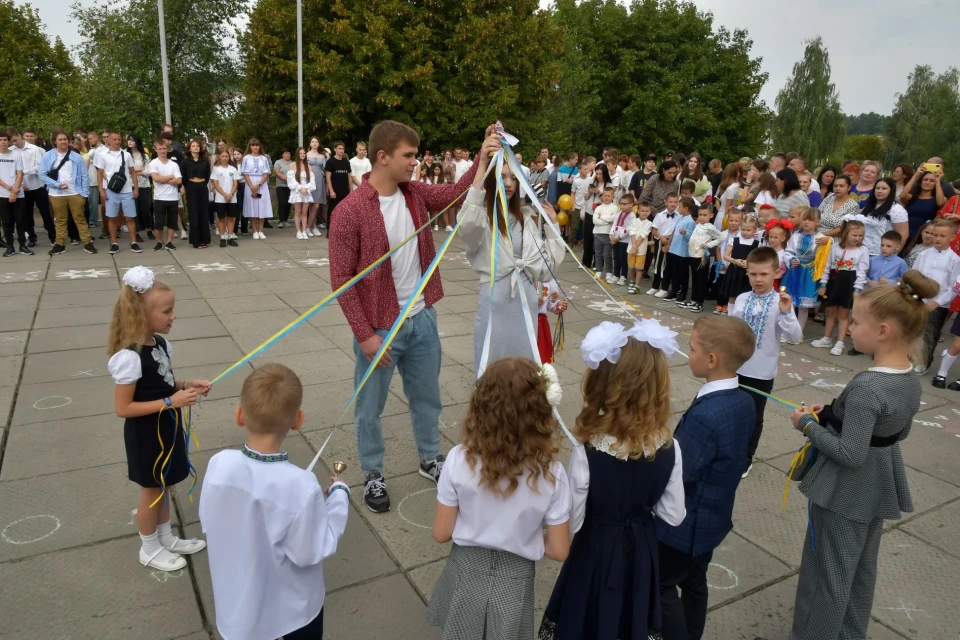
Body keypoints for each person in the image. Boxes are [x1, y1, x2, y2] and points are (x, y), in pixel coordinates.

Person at [329, 120, 486, 513]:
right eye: (409, 156)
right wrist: (365, 335)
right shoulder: (350, 211)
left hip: (421, 320)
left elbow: (454, 192)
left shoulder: (414, 194)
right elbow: (341, 280)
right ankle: (372, 472)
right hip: (380, 327)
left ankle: (430, 458)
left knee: (427, 397)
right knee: (370, 406)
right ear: (382, 157)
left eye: (416, 156)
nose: (415, 163)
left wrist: (483, 155)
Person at [778, 272, 933, 640]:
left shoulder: (868, 384)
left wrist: (808, 426)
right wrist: (835, 414)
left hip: (844, 491)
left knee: (825, 577)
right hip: (877, 486)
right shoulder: (910, 378)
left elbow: (850, 453)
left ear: (883, 331)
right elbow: (899, 431)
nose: (849, 328)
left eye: (857, 322)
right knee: (860, 571)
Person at [540, 320, 685, 640]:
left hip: (596, 550)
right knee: (630, 621)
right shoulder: (669, 446)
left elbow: (574, 520)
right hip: (640, 553)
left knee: (587, 617)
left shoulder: (589, 450)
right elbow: (673, 515)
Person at [200, 363, 349, 640]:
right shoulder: (301, 486)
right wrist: (339, 497)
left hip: (238, 607)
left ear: (240, 415)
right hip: (293, 612)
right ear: (298, 420)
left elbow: (210, 522)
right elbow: (311, 550)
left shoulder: (219, 464)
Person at [427, 358, 570, 639]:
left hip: (466, 570)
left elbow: (441, 533)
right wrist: (521, 535)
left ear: (481, 407)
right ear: (540, 412)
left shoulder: (458, 459)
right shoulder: (552, 474)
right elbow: (559, 550)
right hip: (515, 579)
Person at [658, 315, 756, 640]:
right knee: (695, 582)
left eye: (691, 348)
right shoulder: (743, 401)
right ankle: (693, 631)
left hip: (684, 527)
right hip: (711, 520)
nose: (688, 354)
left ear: (711, 359)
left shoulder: (707, 415)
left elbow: (679, 472)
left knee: (660, 584)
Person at [107, 266, 209, 571]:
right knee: (151, 490)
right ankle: (149, 547)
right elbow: (123, 408)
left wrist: (186, 385)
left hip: (166, 427)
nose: (173, 316)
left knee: (164, 485)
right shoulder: (129, 357)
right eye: (167, 311)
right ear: (142, 314)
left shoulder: (161, 345)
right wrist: (171, 401)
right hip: (146, 434)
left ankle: (165, 537)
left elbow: (163, 384)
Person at [460, 150, 564, 374]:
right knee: (492, 355)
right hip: (494, 296)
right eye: (502, 176)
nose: (508, 183)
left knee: (523, 358)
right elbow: (467, 226)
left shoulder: (526, 219)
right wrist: (481, 168)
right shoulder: (482, 217)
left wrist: (552, 227)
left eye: (514, 178)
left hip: (526, 299)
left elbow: (547, 270)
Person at [729, 247, 802, 479]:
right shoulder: (741, 299)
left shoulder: (780, 302)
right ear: (747, 273)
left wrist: (787, 312)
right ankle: (728, 452)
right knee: (731, 413)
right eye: (753, 274)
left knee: (753, 417)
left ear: (776, 273)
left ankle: (745, 458)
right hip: (735, 368)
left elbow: (794, 337)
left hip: (761, 373)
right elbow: (731, 330)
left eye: (764, 274)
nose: (758, 279)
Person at [811, 220, 869, 356]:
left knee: (843, 314)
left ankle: (840, 342)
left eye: (861, 235)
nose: (858, 238)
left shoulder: (862, 250)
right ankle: (827, 338)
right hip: (834, 280)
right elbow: (827, 266)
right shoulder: (835, 247)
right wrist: (824, 284)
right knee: (831, 311)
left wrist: (857, 289)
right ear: (845, 233)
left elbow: (862, 271)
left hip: (848, 282)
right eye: (854, 235)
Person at [38, 128, 96, 255]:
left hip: (75, 192)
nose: (63, 141)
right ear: (55, 141)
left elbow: (84, 175)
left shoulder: (76, 156)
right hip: (56, 193)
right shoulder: (48, 156)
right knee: (60, 220)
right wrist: (57, 185)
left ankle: (87, 242)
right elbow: (42, 175)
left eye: (65, 139)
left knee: (80, 219)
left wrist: (84, 193)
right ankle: (60, 244)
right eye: (60, 139)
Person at [913, 219, 960, 373]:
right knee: (914, 330)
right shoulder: (924, 254)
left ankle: (923, 362)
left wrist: (938, 302)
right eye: (935, 235)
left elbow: (954, 287)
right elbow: (915, 275)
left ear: (952, 237)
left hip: (938, 304)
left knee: (929, 334)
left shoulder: (955, 260)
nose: (937, 238)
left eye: (942, 236)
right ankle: (910, 357)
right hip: (919, 300)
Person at [95, 131, 141, 254]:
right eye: (114, 139)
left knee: (130, 217)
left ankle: (134, 242)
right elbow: (99, 173)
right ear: (109, 141)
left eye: (119, 139)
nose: (117, 142)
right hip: (111, 190)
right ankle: (114, 243)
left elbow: (132, 172)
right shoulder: (102, 155)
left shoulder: (126, 155)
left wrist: (135, 188)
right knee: (111, 217)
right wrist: (101, 190)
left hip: (126, 190)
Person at [9, 127, 54, 247]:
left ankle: (53, 237)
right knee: (26, 215)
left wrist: (22, 172)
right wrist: (19, 182)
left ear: (19, 136)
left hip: (37, 186)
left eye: (14, 140)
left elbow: (39, 168)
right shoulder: (11, 150)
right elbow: (10, 170)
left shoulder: (36, 150)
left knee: (45, 213)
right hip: (22, 188)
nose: (13, 143)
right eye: (11, 141)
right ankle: (32, 238)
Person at [686, 202, 724, 313]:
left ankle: (699, 302)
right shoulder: (698, 225)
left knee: (701, 279)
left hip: (702, 257)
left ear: (711, 215)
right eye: (700, 215)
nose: (701, 217)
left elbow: (721, 237)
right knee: (694, 278)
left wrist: (709, 244)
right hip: (694, 255)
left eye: (704, 215)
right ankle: (693, 299)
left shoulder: (710, 227)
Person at [719, 213, 760, 309]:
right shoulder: (735, 240)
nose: (745, 232)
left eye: (748, 230)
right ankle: (731, 316)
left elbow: (758, 259)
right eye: (743, 229)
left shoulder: (756, 243)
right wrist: (735, 261)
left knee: (745, 296)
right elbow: (725, 256)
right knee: (732, 296)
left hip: (747, 273)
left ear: (754, 230)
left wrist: (749, 263)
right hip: (734, 271)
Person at [149, 138, 183, 251]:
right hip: (159, 197)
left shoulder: (173, 164)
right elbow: (156, 178)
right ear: (156, 150)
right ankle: (159, 241)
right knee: (159, 222)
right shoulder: (153, 163)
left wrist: (163, 179)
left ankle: (169, 242)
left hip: (172, 196)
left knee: (172, 221)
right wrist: (170, 176)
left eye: (164, 148)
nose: (163, 151)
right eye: (160, 149)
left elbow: (179, 180)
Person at [0, 129, 30, 257]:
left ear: (9, 141)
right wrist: (9, 188)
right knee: (7, 221)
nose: (3, 142)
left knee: (20, 220)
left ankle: (23, 245)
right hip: (2, 193)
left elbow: (20, 173)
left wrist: (15, 190)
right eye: (0, 140)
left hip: (18, 193)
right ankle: (10, 247)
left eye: (5, 140)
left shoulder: (16, 154)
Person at [901, 164, 948, 241]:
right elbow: (902, 196)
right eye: (925, 179)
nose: (927, 182)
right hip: (906, 234)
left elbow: (940, 203)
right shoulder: (911, 197)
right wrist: (915, 175)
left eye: (931, 181)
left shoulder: (937, 199)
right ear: (921, 181)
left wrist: (937, 181)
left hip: (924, 237)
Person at [647, 192, 680, 297]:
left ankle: (664, 288)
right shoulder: (660, 215)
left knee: (667, 265)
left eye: (675, 202)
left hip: (671, 241)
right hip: (660, 240)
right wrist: (661, 237)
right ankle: (655, 286)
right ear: (666, 202)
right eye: (671, 202)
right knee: (658, 263)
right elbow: (654, 230)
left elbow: (676, 231)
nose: (673, 204)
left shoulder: (679, 216)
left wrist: (669, 241)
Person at [666, 196, 697, 304]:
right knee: (674, 271)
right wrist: (669, 243)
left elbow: (692, 236)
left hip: (683, 252)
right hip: (674, 249)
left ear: (686, 208)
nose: (678, 208)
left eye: (680, 206)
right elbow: (674, 231)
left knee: (683, 273)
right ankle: (674, 290)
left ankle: (683, 292)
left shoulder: (691, 221)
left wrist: (685, 233)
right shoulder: (680, 218)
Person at [181, 138, 211, 249]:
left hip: (202, 187)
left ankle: (204, 240)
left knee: (203, 213)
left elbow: (207, 176)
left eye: (197, 146)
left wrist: (202, 184)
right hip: (191, 187)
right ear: (189, 148)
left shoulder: (204, 161)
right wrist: (184, 187)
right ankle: (195, 241)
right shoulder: (185, 162)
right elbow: (183, 176)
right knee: (193, 213)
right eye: (193, 146)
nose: (195, 147)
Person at [241, 138, 273, 240]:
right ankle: (254, 230)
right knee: (252, 206)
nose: (255, 147)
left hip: (261, 184)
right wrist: (252, 186)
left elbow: (266, 173)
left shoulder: (263, 158)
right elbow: (245, 173)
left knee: (262, 206)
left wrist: (258, 185)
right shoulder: (246, 158)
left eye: (257, 145)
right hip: (250, 183)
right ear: (250, 146)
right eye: (253, 145)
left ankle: (261, 230)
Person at [714, 210, 742, 314]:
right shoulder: (722, 233)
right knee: (720, 284)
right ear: (727, 220)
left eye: (736, 220)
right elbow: (718, 248)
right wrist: (719, 261)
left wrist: (731, 263)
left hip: (732, 264)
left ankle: (727, 304)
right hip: (722, 263)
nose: (733, 223)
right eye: (731, 220)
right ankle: (719, 304)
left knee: (729, 285)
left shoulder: (740, 235)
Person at [210, 148, 239, 248]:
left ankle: (230, 236)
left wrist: (231, 194)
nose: (225, 158)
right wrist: (224, 194)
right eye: (222, 156)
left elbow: (235, 184)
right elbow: (216, 184)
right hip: (220, 198)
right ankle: (223, 237)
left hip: (232, 198)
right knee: (221, 217)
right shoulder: (216, 169)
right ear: (219, 157)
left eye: (226, 156)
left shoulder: (233, 169)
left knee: (231, 218)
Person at [125, 135, 152, 242]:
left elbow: (147, 172)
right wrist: (138, 170)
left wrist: (134, 171)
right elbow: (126, 171)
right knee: (134, 209)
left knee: (146, 209)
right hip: (130, 185)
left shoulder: (144, 156)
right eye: (128, 140)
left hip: (144, 185)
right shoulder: (126, 155)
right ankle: (136, 233)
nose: (129, 142)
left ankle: (149, 229)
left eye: (132, 140)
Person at [818, 174, 860, 241]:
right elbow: (817, 214)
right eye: (835, 186)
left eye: (841, 186)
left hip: (836, 240)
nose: (837, 188)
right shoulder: (829, 198)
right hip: (817, 235)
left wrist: (822, 235)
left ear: (849, 188)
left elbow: (845, 228)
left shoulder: (853, 205)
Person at [536, 280, 567, 364]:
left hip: (540, 325)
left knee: (541, 359)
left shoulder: (546, 279)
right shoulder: (519, 275)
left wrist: (558, 305)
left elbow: (550, 303)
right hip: (523, 324)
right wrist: (529, 301)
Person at [288, 147, 316, 240]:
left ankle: (304, 231)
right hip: (297, 191)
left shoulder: (309, 166)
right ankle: (298, 231)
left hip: (306, 192)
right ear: (297, 154)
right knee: (297, 212)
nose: (302, 155)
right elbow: (291, 180)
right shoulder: (292, 165)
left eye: (304, 153)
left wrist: (306, 188)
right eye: (300, 153)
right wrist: (300, 188)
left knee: (304, 213)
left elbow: (312, 181)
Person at [592, 186, 619, 282]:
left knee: (607, 254)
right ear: (602, 196)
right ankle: (599, 270)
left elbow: (613, 219)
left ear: (613, 197)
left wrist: (602, 218)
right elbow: (595, 220)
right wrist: (606, 221)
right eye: (605, 195)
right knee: (598, 253)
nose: (606, 197)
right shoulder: (598, 208)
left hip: (608, 234)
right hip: (597, 233)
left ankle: (609, 272)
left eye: (609, 196)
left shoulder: (615, 208)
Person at [626, 199, 653, 294]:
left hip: (641, 249)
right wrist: (633, 246)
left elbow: (643, 235)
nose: (644, 213)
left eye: (646, 211)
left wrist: (636, 246)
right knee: (631, 266)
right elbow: (632, 233)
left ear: (649, 212)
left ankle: (637, 285)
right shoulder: (633, 221)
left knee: (639, 268)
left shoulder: (649, 224)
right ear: (638, 211)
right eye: (642, 211)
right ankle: (632, 280)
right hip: (631, 248)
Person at [610, 192, 637, 286]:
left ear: (631, 205)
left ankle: (623, 276)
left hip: (624, 241)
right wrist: (611, 234)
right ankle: (616, 275)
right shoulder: (619, 213)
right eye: (621, 203)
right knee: (616, 257)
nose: (622, 205)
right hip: (615, 239)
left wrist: (618, 237)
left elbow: (628, 229)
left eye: (624, 204)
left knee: (623, 259)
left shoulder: (632, 215)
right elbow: (614, 224)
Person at [305, 137, 327, 236]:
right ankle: (312, 227)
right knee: (310, 204)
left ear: (319, 144)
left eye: (316, 141)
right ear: (310, 144)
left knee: (317, 205)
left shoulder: (322, 156)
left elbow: (325, 169)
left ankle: (308, 227)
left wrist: (327, 157)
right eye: (313, 141)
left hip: (319, 179)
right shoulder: (306, 155)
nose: (314, 143)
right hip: (308, 179)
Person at [325, 141, 351, 223]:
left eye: (343, 149)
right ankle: (330, 230)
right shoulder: (330, 162)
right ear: (335, 149)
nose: (341, 150)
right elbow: (328, 177)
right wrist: (331, 191)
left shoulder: (346, 162)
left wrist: (351, 190)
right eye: (339, 148)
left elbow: (349, 177)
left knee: (344, 211)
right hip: (335, 191)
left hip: (345, 191)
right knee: (332, 210)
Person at [714, 163, 742, 231]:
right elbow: (717, 199)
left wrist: (725, 223)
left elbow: (728, 208)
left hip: (725, 216)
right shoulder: (728, 185)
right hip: (721, 214)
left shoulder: (731, 188)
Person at [273, 148, 292, 230]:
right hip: (280, 185)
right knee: (282, 202)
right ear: (282, 155)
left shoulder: (293, 163)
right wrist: (284, 178)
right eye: (286, 153)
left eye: (289, 153)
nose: (287, 154)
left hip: (290, 186)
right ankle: (280, 221)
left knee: (288, 203)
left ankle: (285, 220)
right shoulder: (278, 162)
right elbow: (276, 172)